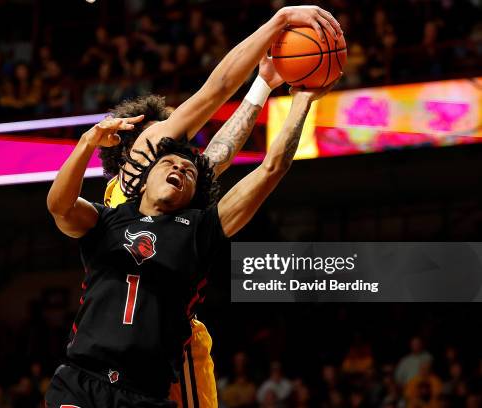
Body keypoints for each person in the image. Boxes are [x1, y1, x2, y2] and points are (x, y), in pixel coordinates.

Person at [45, 52, 338, 407]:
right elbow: (59, 206)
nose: (175, 144)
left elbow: (225, 161)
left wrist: (266, 86)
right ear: (130, 155)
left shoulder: (190, 213)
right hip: (94, 370)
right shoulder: (117, 202)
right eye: (161, 140)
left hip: (158, 355)